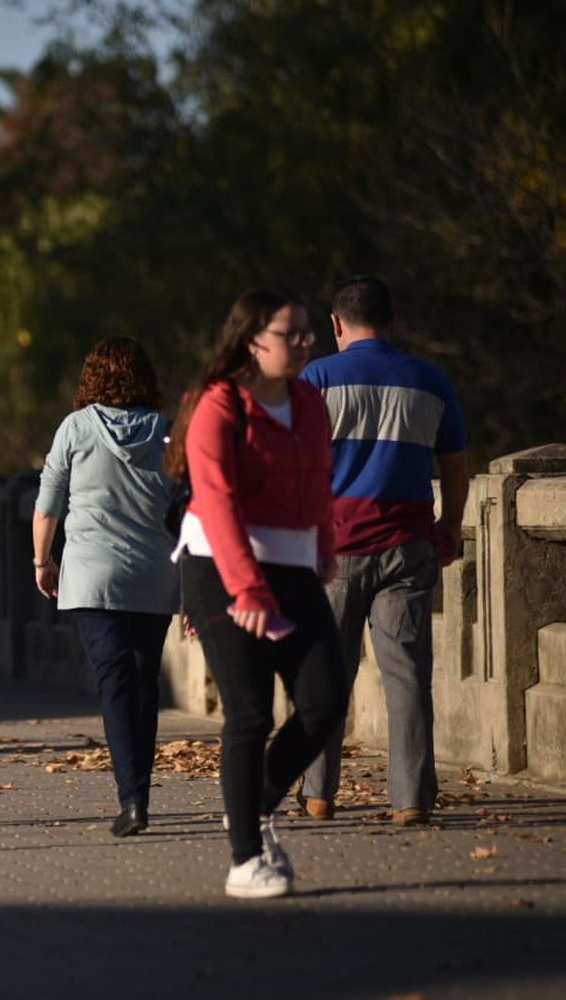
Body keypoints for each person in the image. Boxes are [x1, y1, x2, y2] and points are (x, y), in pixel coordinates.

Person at [164, 289, 348, 899]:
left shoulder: (310, 401)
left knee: (325, 702)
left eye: (306, 335)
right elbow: (215, 501)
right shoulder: (217, 405)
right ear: (252, 340)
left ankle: (255, 802)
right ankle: (245, 858)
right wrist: (246, 589)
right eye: (290, 334)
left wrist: (324, 545)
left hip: (292, 564)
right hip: (218, 566)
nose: (304, 345)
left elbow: (321, 478)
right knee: (249, 710)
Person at [297, 276, 467, 827]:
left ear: (337, 325)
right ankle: (411, 798)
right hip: (408, 545)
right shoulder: (429, 379)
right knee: (407, 675)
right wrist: (451, 526)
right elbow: (456, 466)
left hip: (334, 550)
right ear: (393, 324)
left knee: (326, 674)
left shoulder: (316, 379)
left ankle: (319, 795)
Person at [31, 337, 181, 838]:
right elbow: (190, 508)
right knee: (144, 685)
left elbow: (48, 504)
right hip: (154, 576)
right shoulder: (166, 433)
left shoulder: (75, 428)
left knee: (116, 685)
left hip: (92, 578)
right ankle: (140, 795)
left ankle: (131, 802)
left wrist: (41, 560)